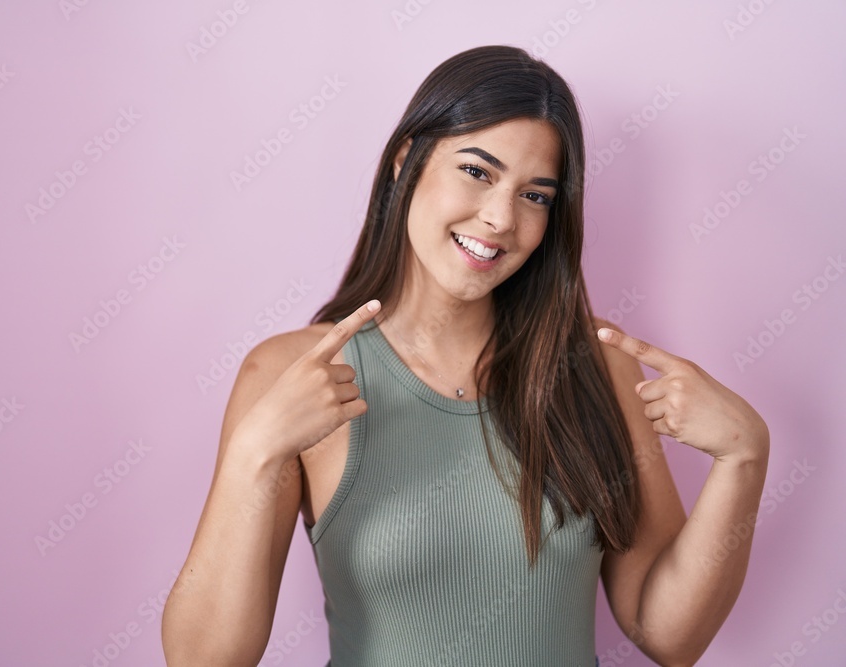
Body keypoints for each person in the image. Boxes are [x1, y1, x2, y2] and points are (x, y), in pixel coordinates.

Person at [161, 44, 770, 666]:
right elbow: (203, 660)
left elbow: (667, 633)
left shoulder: (598, 364)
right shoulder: (292, 373)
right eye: (477, 172)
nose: (501, 217)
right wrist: (253, 453)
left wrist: (745, 455)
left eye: (536, 195)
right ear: (407, 160)